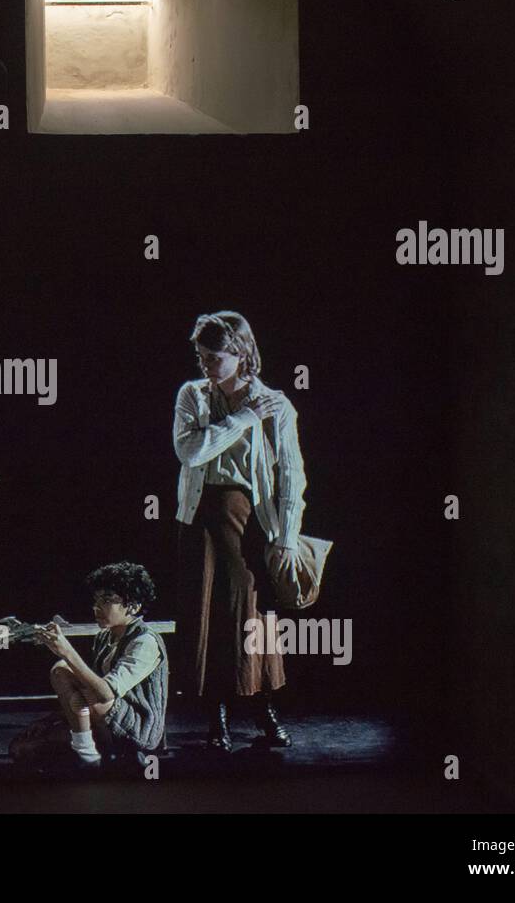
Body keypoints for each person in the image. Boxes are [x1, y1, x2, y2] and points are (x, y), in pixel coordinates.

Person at [172, 310, 308, 751]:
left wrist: (287, 535)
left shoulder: (276, 404)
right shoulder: (193, 396)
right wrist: (241, 419)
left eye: (214, 357)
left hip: (250, 520)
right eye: (201, 356)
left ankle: (264, 708)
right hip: (203, 521)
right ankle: (218, 718)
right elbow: (190, 452)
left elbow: (291, 474)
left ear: (241, 353)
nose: (206, 365)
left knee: (256, 617)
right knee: (208, 614)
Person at [9, 562, 168, 771]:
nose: (97, 607)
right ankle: (96, 752)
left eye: (107, 600)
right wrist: (50, 720)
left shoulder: (145, 642)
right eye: (96, 600)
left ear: (134, 606)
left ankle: (88, 755)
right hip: (103, 720)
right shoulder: (105, 637)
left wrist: (66, 651)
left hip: (137, 730)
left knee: (62, 668)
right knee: (22, 748)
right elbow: (84, 692)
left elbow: (104, 694)